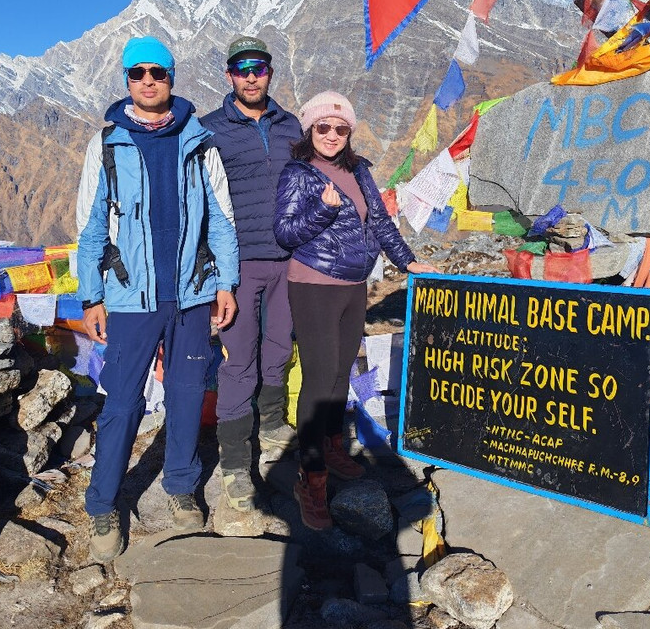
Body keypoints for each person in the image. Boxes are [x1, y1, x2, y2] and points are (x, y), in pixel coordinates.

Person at [76, 35, 239, 562]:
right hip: (129, 300)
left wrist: (225, 282)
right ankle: (102, 501)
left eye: (158, 72)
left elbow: (222, 219)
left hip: (191, 296)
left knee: (188, 395)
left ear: (173, 77)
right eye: (138, 72)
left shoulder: (200, 140)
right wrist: (91, 298)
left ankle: (181, 486)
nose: (148, 81)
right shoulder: (105, 144)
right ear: (126, 79)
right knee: (122, 402)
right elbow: (91, 227)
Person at [273, 91, 437, 530]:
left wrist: (407, 260)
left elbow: (381, 222)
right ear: (310, 130)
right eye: (323, 127)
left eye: (340, 128)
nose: (331, 135)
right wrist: (322, 212)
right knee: (319, 378)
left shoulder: (358, 170)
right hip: (313, 285)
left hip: (353, 285)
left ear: (349, 133)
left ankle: (330, 446)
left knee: (342, 371)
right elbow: (285, 232)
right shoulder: (300, 173)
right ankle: (310, 480)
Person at [200, 36, 303, 513]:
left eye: (258, 67)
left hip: (289, 259)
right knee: (239, 358)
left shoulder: (291, 127)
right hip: (237, 264)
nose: (250, 75)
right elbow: (196, 200)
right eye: (241, 68)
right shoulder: (209, 130)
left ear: (269, 72)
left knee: (280, 346)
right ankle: (235, 463)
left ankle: (272, 423)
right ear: (229, 75)